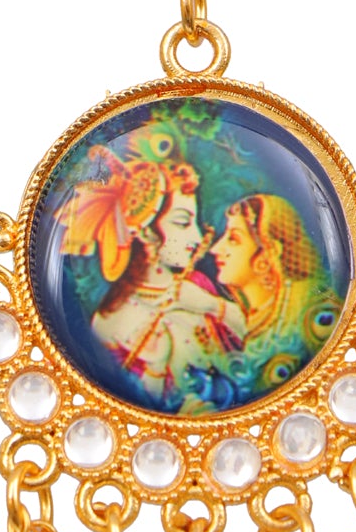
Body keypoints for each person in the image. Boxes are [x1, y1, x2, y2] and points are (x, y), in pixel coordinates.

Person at [55, 148, 245, 408]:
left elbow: (251, 345)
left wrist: (215, 306)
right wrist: (156, 365)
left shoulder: (197, 284)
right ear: (145, 233)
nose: (198, 238)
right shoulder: (110, 320)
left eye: (195, 223)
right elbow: (121, 402)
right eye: (182, 223)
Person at [209, 193, 336, 387]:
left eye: (233, 239)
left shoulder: (305, 307)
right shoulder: (234, 317)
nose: (216, 249)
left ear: (268, 253)